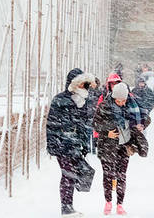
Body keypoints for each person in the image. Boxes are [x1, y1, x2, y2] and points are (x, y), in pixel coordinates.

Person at [46, 68, 96, 216]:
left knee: (73, 174)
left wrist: (85, 145)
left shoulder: (84, 101)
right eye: (80, 84)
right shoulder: (60, 99)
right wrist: (54, 144)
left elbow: (84, 125)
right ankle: (66, 207)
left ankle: (68, 205)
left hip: (75, 145)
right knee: (68, 174)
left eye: (84, 84)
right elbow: (52, 124)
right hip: (63, 143)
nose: (83, 87)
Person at [93, 82, 139, 215]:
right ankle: (108, 201)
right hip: (107, 146)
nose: (122, 103)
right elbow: (95, 124)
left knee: (121, 175)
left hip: (124, 146)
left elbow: (142, 119)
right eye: (119, 101)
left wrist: (137, 127)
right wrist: (107, 132)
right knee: (108, 175)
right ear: (114, 98)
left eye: (124, 100)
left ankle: (120, 204)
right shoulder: (104, 106)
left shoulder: (131, 106)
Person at [87, 77, 102, 154]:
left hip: (96, 114)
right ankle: (88, 149)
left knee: (95, 133)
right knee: (88, 132)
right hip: (88, 114)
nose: (93, 84)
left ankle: (93, 149)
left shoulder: (100, 92)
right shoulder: (87, 92)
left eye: (94, 83)